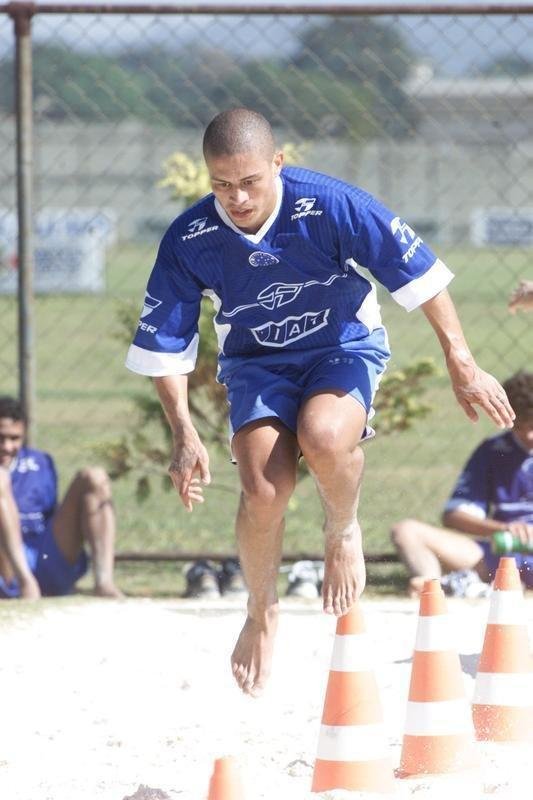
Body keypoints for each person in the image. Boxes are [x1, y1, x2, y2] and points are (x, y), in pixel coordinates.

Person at [126, 107, 514, 696]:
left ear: (278, 163)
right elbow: (165, 346)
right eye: (221, 185)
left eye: (250, 181)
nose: (236, 197)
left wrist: (461, 362)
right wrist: (183, 432)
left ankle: (343, 530)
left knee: (326, 435)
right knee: (262, 486)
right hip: (256, 363)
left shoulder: (330, 204)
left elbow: (423, 275)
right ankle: (261, 610)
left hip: (342, 346)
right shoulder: (192, 237)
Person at [391, 370, 533, 595]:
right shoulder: (493, 450)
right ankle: (430, 587)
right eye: (521, 427)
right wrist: (505, 529)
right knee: (407, 531)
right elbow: (454, 515)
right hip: (501, 553)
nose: (529, 436)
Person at [0, 395, 122, 599]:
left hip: (44, 554)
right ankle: (25, 583)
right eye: (0, 438)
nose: (7, 447)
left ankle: (104, 582)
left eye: (14, 438)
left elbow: (53, 514)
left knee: (95, 477)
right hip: (6, 564)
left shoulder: (41, 462)